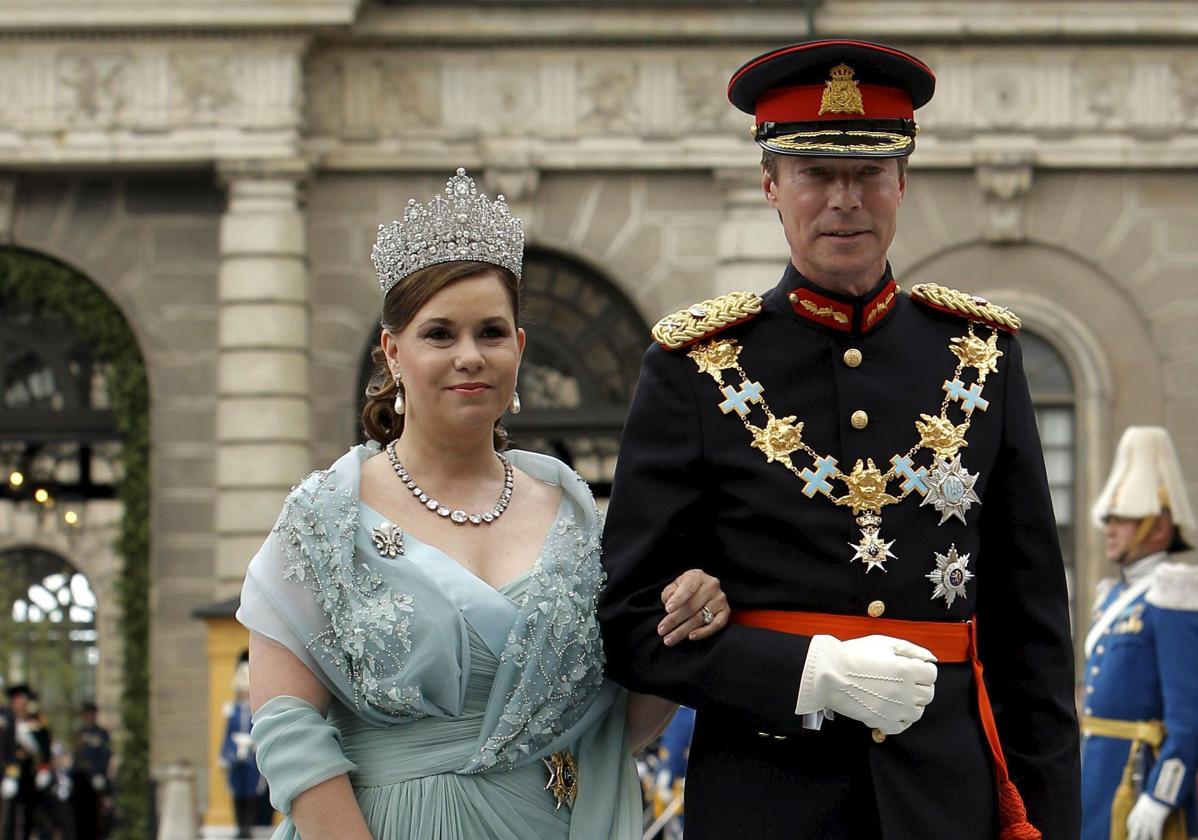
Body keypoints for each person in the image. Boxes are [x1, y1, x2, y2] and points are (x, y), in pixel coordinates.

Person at [598, 38, 1080, 839]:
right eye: (816, 174)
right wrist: (806, 674)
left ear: (901, 182)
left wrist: (1049, 821)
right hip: (768, 797)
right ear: (771, 186)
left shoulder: (982, 356)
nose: (843, 199)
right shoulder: (695, 369)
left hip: (947, 803)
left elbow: (1031, 634)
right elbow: (630, 623)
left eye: (866, 174)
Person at [236, 168, 730, 840]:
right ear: (393, 352)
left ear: (519, 350)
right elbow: (288, 727)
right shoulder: (326, 516)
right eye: (440, 334)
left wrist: (686, 627)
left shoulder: (576, 512)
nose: (470, 355)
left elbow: (613, 725)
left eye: (492, 333)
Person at [1082, 426, 1198, 840]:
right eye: (1109, 520)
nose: (1110, 529)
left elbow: (1188, 720)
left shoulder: (1174, 594)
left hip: (1138, 781)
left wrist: (1162, 795)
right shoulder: (1113, 595)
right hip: (1098, 778)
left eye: (1124, 521)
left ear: (1159, 526)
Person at [221, 658, 264, 839]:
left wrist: (254, 744)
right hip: (236, 756)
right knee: (237, 791)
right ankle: (240, 826)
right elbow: (228, 733)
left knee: (251, 792)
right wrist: (226, 753)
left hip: (251, 756)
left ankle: (248, 826)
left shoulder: (256, 710)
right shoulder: (233, 711)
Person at [69, 701, 112, 840]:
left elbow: (105, 755)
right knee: (79, 817)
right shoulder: (79, 734)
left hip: (95, 779)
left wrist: (100, 773)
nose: (88, 717)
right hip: (81, 780)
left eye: (90, 714)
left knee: (96, 817)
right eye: (85, 715)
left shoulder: (101, 734)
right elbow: (76, 758)